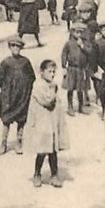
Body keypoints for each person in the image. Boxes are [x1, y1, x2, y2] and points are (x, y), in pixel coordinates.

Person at [26, 60, 70, 188]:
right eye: (49, 72)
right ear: (41, 72)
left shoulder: (53, 85)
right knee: (42, 150)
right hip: (42, 122)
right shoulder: (38, 86)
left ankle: (54, 175)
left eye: (53, 72)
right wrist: (54, 92)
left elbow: (57, 102)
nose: (52, 74)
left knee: (53, 150)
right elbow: (47, 101)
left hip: (52, 121)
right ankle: (37, 174)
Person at [0, 36, 36, 155]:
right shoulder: (6, 62)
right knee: (6, 118)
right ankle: (3, 142)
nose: (15, 48)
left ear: (21, 48)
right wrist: (7, 90)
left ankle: (19, 141)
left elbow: (32, 77)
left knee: (21, 118)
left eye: (18, 46)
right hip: (9, 95)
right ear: (9, 48)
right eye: (13, 46)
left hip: (22, 95)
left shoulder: (25, 62)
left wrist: (25, 89)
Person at [61, 23, 95, 116]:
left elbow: (90, 52)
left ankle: (80, 107)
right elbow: (64, 55)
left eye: (80, 32)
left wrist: (82, 46)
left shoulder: (85, 43)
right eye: (76, 32)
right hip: (72, 68)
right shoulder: (68, 43)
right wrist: (64, 67)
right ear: (72, 32)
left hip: (82, 69)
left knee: (81, 88)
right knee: (70, 88)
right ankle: (70, 107)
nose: (78, 34)